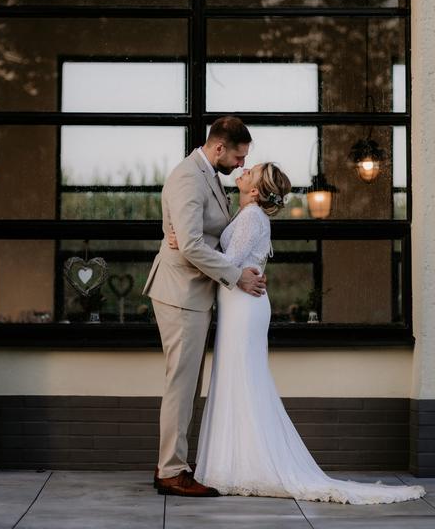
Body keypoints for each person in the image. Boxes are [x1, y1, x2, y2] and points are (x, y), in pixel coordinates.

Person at [168, 162, 426, 504]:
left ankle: (243, 466)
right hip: (237, 305)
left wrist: (188, 244)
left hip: (243, 309)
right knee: (234, 380)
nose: (244, 170)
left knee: (242, 380)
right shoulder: (246, 214)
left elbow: (228, 262)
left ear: (255, 191)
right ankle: (231, 462)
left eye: (251, 172)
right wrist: (194, 243)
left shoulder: (251, 217)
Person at [142, 116, 267, 498]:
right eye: (239, 157)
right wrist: (237, 275)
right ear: (219, 148)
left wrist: (192, 242)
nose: (242, 164)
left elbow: (199, 239)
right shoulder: (188, 177)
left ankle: (174, 462)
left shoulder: (209, 175)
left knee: (187, 384)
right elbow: (192, 245)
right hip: (180, 294)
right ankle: (171, 471)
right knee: (181, 385)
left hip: (195, 293)